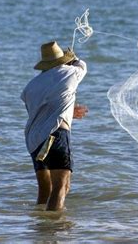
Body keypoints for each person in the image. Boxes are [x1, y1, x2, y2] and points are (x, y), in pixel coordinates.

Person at [21, 41, 88, 211]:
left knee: (45, 190)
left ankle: (40, 229)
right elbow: (82, 65)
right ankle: (53, 230)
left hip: (33, 140)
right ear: (63, 60)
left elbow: (39, 112)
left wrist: (70, 111)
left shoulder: (31, 86)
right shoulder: (70, 72)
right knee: (62, 187)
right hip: (55, 135)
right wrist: (73, 56)